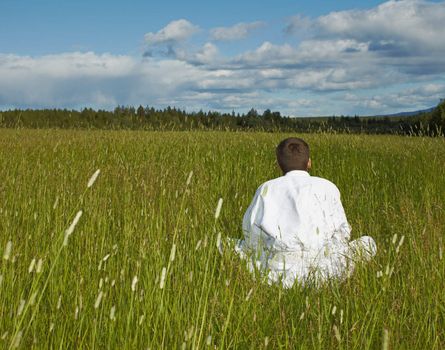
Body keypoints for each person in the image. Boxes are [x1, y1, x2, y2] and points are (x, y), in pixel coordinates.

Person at [234, 137, 376, 288]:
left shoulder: (266, 188)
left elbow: (250, 231)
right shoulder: (328, 186)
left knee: (229, 245)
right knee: (368, 243)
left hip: (279, 269)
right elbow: (342, 232)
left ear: (278, 165)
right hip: (326, 269)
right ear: (309, 162)